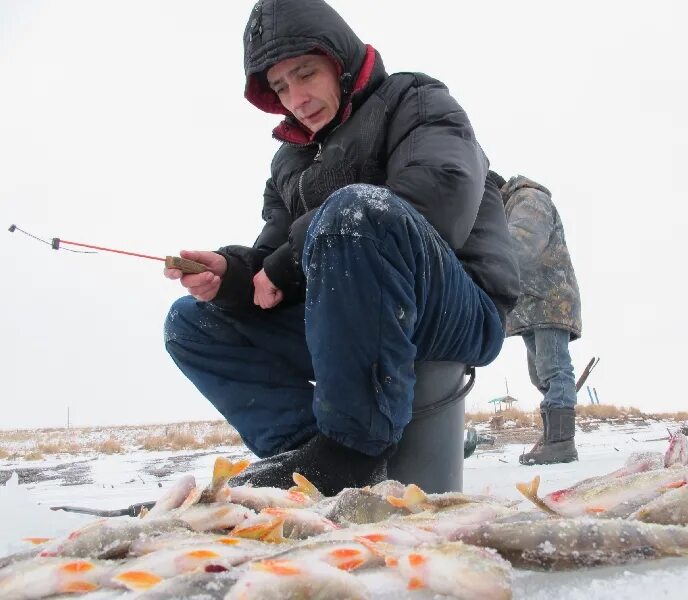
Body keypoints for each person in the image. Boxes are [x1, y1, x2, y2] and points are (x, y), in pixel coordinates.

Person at [163, 0, 519, 496]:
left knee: (354, 211)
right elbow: (275, 260)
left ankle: (351, 449)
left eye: (306, 74)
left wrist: (287, 262)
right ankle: (308, 453)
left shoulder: (415, 100)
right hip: (348, 321)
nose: (297, 98)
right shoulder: (289, 162)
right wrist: (235, 276)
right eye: (282, 87)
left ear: (339, 59)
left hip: (452, 305)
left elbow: (438, 196)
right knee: (191, 323)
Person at [492, 173, 582, 465]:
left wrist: (485, 260)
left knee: (554, 368)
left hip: (550, 300)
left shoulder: (528, 199)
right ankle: (552, 437)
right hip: (533, 305)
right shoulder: (511, 206)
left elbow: (523, 244)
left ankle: (561, 442)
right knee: (541, 374)